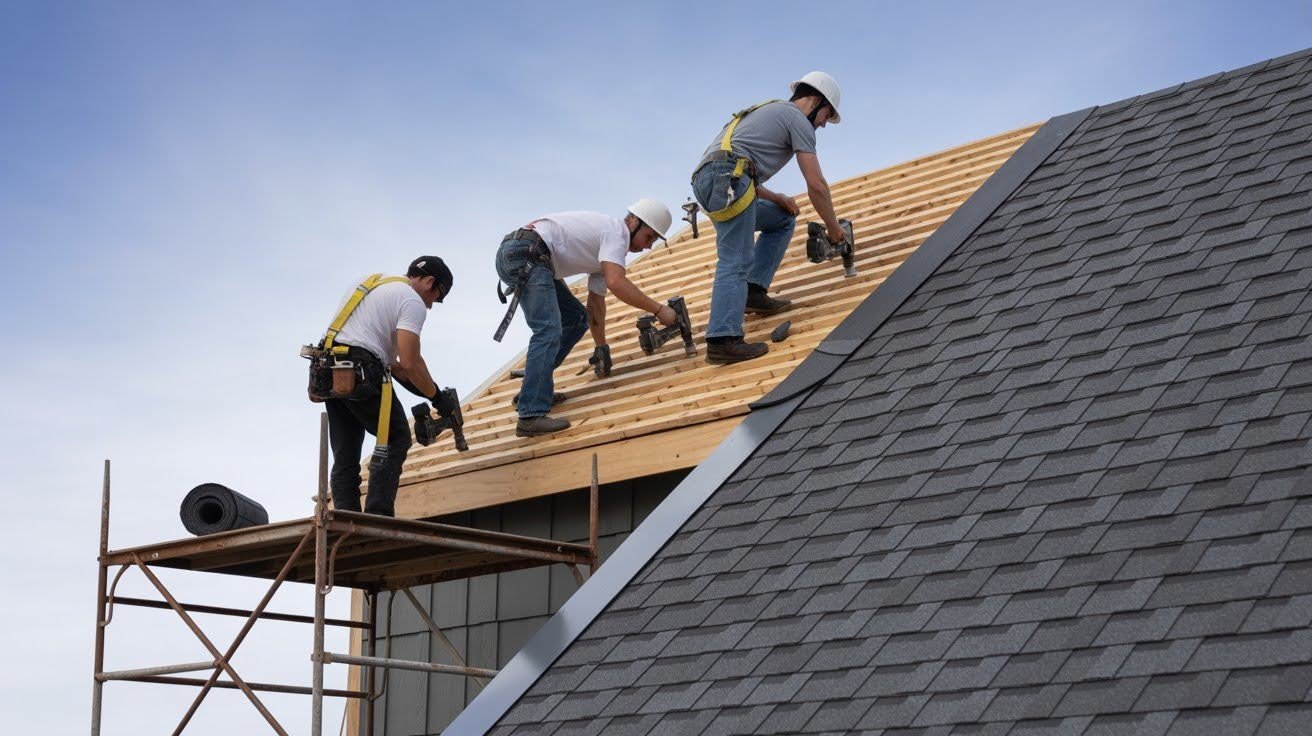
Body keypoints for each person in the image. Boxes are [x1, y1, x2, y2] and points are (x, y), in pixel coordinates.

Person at [691, 71, 848, 364]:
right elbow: (816, 184)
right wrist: (833, 228)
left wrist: (776, 198)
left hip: (716, 180)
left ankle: (753, 291)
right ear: (815, 101)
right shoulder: (798, 120)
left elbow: (734, 164)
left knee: (781, 218)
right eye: (827, 114)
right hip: (728, 180)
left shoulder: (769, 111)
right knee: (735, 259)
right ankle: (722, 339)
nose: (824, 123)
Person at [495, 199, 675, 437]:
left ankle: (534, 393)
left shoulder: (606, 255)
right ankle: (530, 415)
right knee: (548, 330)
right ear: (632, 222)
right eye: (649, 237)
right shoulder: (615, 233)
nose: (648, 246)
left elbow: (595, 308)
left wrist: (601, 348)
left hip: (527, 254)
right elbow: (617, 283)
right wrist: (659, 309)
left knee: (576, 318)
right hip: (527, 255)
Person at [317, 256, 455, 517]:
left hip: (331, 369)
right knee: (396, 437)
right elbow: (411, 363)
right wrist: (437, 396)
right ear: (429, 281)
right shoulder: (412, 301)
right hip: (362, 368)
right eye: (436, 296)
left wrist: (433, 393)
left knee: (346, 452)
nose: (432, 305)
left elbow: (399, 368)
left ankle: (347, 517)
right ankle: (379, 516)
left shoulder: (370, 284)